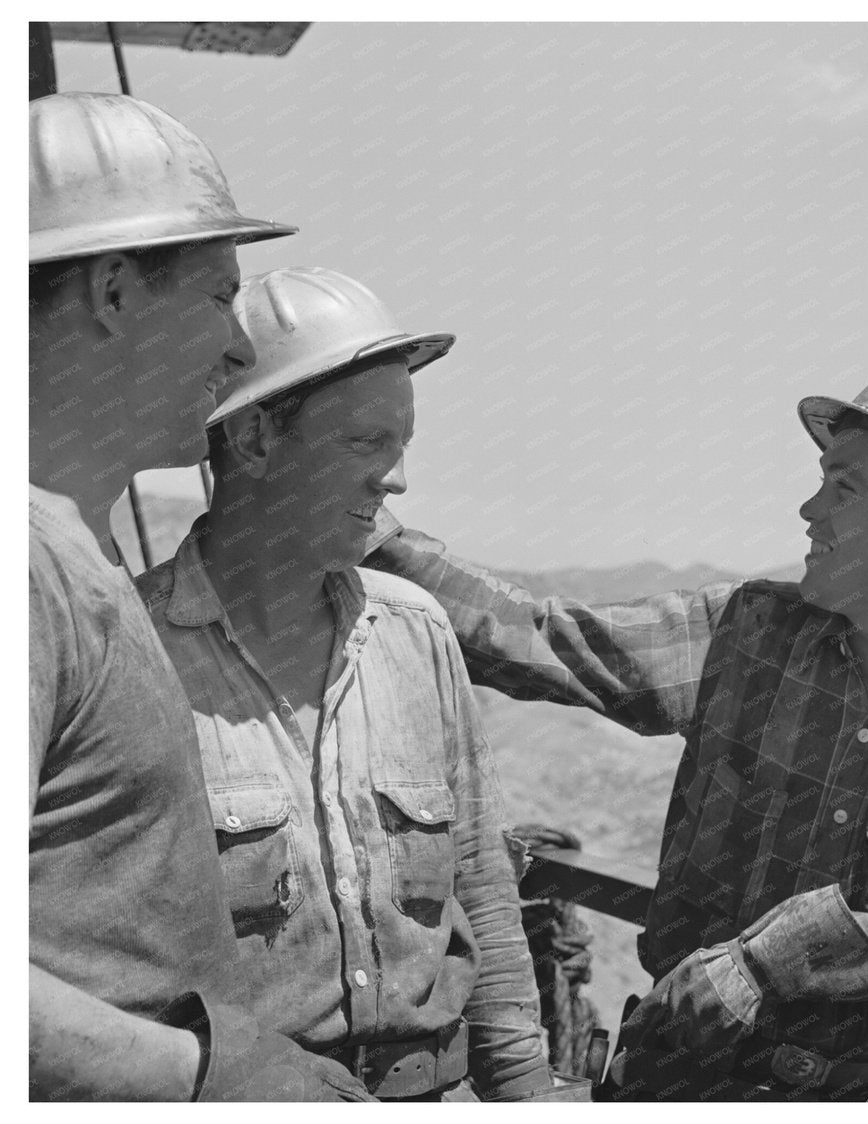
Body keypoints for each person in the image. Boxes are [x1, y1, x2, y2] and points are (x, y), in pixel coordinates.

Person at [362, 364, 868, 1100]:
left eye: (845, 486)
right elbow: (541, 639)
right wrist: (354, 525)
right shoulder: (749, 632)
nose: (810, 509)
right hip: (680, 1074)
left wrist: (785, 954)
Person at [136, 266, 583, 1101]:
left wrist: (529, 1096)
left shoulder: (415, 636)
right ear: (257, 438)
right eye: (363, 443)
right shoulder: (131, 655)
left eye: (400, 445)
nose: (396, 479)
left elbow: (482, 895)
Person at [29, 92, 370, 1101]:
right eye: (220, 296)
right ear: (117, 288)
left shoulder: (67, 549)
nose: (236, 352)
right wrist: (215, 1078)